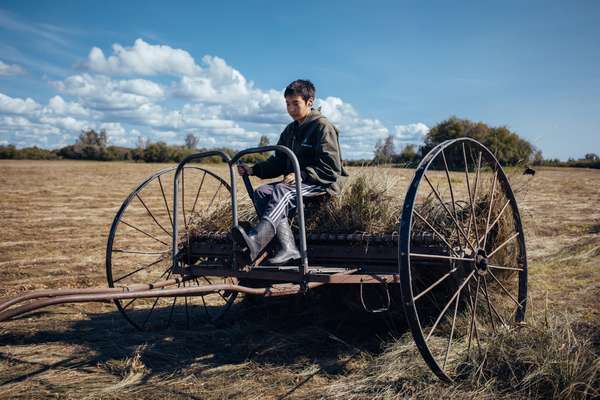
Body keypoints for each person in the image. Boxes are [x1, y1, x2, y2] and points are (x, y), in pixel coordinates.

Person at [234, 79, 348, 265]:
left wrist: (301, 174)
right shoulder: (290, 130)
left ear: (309, 102)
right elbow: (278, 161)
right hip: (299, 183)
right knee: (262, 192)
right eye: (288, 104)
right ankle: (288, 247)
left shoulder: (322, 127)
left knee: (281, 191)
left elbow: (331, 167)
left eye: (296, 103)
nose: (291, 108)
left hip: (322, 183)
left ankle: (256, 241)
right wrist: (254, 169)